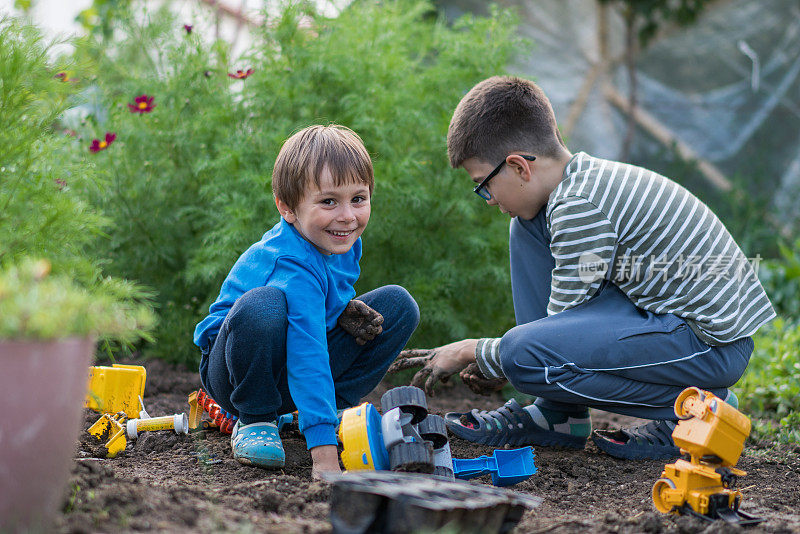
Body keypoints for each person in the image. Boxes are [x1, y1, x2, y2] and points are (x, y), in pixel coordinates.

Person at [389, 76, 774, 460]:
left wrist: (478, 353)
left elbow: (554, 344)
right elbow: (562, 331)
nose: (487, 200)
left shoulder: (580, 206)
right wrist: (503, 358)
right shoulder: (575, 187)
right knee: (527, 228)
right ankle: (559, 416)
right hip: (669, 321)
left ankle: (702, 408)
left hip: (708, 345)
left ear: (519, 167)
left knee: (524, 355)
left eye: (483, 185)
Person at [194, 125, 419, 477]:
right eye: (329, 201)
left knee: (397, 306)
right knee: (263, 305)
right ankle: (255, 421)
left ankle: (315, 415)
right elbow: (307, 351)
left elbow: (318, 307)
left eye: (358, 199)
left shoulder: (340, 239)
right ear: (287, 207)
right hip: (235, 371)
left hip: (286, 362)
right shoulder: (290, 263)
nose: (347, 216)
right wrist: (325, 457)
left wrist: (339, 309)